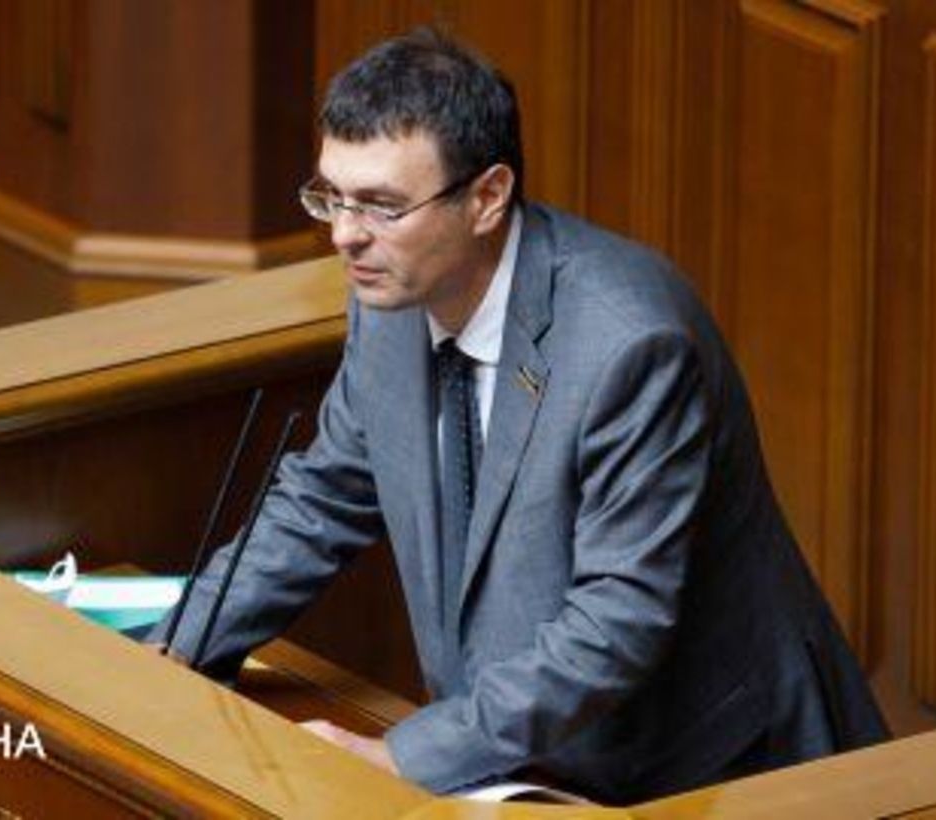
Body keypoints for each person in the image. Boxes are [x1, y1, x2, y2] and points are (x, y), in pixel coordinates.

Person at [150, 28, 888, 803]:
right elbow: (323, 497)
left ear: (487, 197)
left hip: (711, 776)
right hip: (535, 763)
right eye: (332, 196)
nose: (344, 235)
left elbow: (614, 623)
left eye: (382, 206)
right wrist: (176, 652)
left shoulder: (631, 346)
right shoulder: (392, 300)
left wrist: (401, 758)